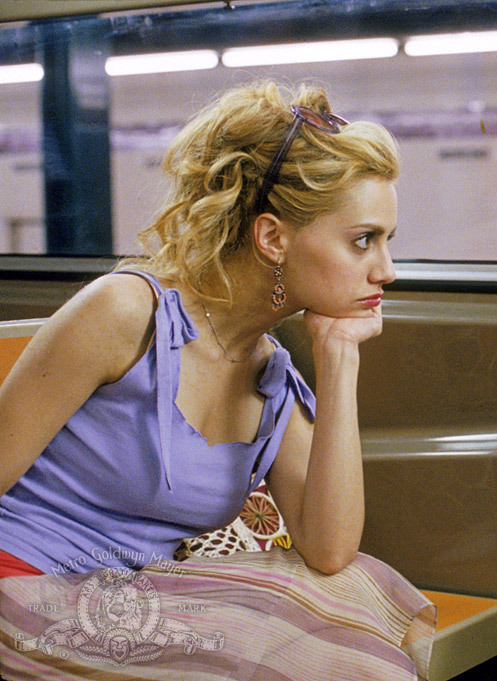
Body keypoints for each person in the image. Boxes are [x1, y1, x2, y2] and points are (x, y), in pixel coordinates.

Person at [0, 80, 433, 680]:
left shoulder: (272, 379)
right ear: (273, 238)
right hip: (23, 585)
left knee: (369, 591)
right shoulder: (126, 313)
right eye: (363, 241)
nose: (385, 271)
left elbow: (331, 551)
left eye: (387, 243)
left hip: (129, 601)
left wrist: (339, 361)